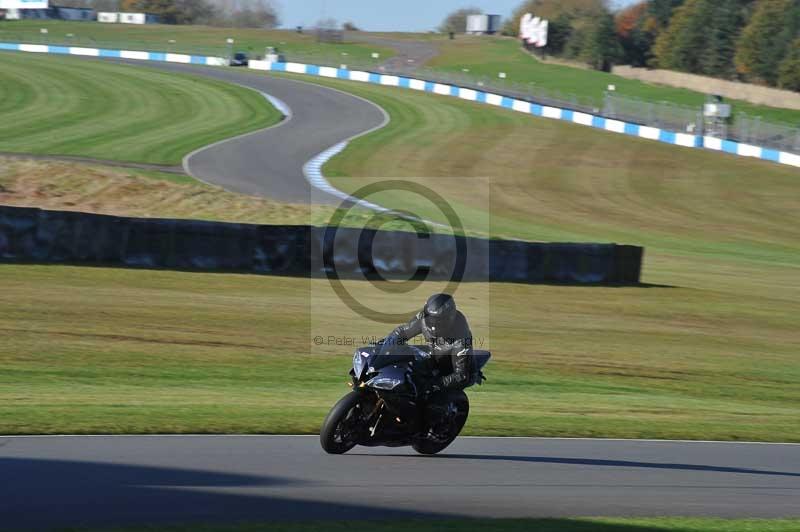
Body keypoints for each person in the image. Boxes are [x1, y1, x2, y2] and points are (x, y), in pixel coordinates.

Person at [381, 293, 474, 396]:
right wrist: (388, 345)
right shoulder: (424, 317)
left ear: (449, 318)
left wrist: (434, 384)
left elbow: (461, 376)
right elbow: (402, 332)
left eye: (438, 320)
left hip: (449, 370)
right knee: (404, 365)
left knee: (430, 401)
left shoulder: (461, 339)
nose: (433, 323)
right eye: (431, 318)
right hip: (432, 356)